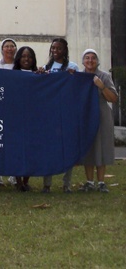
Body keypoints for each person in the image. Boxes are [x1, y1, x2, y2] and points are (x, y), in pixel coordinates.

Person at [41, 38, 79, 193]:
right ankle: (47, 184)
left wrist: (73, 77)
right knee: (48, 149)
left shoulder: (72, 67)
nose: (55, 51)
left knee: (67, 148)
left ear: (65, 50)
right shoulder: (46, 67)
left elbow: (78, 88)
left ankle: (66, 184)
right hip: (49, 114)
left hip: (66, 113)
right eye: (53, 48)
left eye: (59, 48)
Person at [79, 49, 118, 193]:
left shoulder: (105, 76)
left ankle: (101, 181)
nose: (90, 61)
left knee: (102, 146)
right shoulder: (80, 77)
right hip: (86, 114)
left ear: (97, 61)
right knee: (88, 147)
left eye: (93, 58)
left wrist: (101, 86)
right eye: (87, 58)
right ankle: (89, 181)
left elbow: (113, 98)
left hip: (102, 113)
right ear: (83, 61)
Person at [0, 38, 18, 186]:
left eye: (12, 46)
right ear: (2, 49)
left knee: (14, 142)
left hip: (15, 109)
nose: (9, 49)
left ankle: (14, 175)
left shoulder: (19, 65)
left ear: (15, 49)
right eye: (6, 46)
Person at [13, 46, 38, 191]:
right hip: (16, 117)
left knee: (30, 149)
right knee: (16, 149)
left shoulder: (38, 75)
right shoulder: (11, 74)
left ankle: (26, 180)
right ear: (18, 59)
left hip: (32, 118)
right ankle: (18, 181)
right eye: (23, 56)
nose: (26, 59)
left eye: (29, 56)